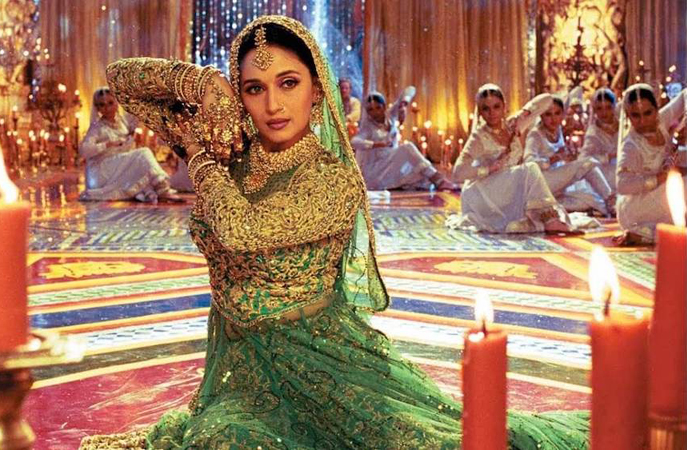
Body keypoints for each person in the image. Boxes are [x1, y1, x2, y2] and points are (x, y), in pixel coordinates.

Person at [81, 16, 589, 449]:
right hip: (241, 368)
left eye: (288, 83)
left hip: (321, 362)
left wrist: (198, 156)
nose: (273, 104)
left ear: (318, 88)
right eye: (254, 88)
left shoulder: (331, 179)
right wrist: (204, 84)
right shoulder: (236, 157)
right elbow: (122, 80)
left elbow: (240, 229)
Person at [448, 84, 581, 234]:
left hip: (507, 186)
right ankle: (551, 221)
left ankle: (548, 219)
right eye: (486, 108)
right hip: (484, 194)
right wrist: (489, 168)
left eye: (496, 106)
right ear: (480, 111)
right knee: (530, 168)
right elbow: (457, 174)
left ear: (504, 106)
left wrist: (525, 113)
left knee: (526, 173)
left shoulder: (513, 125)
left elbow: (547, 100)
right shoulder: (479, 137)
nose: (492, 113)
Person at [78, 87, 184, 203]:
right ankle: (163, 189)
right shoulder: (97, 127)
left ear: (116, 102)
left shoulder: (122, 122)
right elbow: (84, 150)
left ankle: (159, 189)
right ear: (97, 108)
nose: (107, 108)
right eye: (102, 105)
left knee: (141, 160)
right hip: (101, 172)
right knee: (143, 153)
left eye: (110, 103)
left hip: (117, 165)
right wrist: (107, 144)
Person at [615, 83, 687, 245]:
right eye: (635, 115)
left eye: (648, 113)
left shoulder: (662, 120)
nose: (643, 121)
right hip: (634, 208)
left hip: (658, 196)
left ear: (656, 109)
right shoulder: (630, 145)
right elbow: (622, 185)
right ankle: (643, 231)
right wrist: (660, 178)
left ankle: (644, 234)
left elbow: (686, 94)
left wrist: (686, 121)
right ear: (628, 116)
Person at [524, 96, 615, 216]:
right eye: (548, 114)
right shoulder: (535, 134)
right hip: (542, 182)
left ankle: (549, 207)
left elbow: (562, 160)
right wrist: (553, 159)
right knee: (588, 163)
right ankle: (611, 199)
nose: (553, 119)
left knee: (590, 199)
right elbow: (528, 161)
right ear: (541, 115)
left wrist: (568, 159)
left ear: (563, 114)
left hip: (557, 186)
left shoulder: (558, 130)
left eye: (557, 113)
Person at [352, 89, 457, 191]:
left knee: (419, 176)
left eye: (378, 108)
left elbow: (410, 90)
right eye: (370, 110)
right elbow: (354, 142)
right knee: (407, 148)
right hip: (376, 172)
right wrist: (377, 144)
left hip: (391, 164)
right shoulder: (367, 127)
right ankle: (438, 179)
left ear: (383, 107)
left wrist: (403, 104)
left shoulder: (390, 116)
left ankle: (435, 180)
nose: (375, 112)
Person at [581, 88, 620, 193]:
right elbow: (583, 160)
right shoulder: (593, 133)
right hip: (605, 176)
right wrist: (607, 157)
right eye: (599, 108)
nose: (604, 113)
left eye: (608, 107)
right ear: (594, 110)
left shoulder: (623, 126)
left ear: (614, 107)